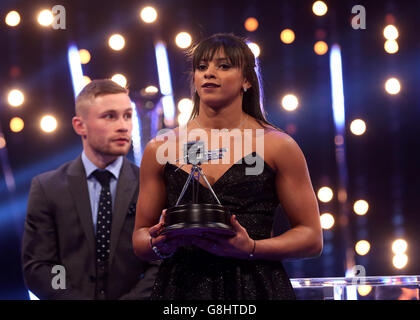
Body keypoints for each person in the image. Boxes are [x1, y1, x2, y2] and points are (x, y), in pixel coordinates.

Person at [133, 33, 323, 300]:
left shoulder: (278, 146)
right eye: (202, 67)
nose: (210, 73)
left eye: (223, 66)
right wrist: (158, 242)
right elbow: (140, 239)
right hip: (180, 290)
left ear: (246, 80)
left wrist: (252, 247)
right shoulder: (160, 148)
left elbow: (312, 238)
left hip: (256, 286)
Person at [22, 79, 159, 300]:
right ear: (80, 125)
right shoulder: (47, 188)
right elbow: (41, 267)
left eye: (127, 115)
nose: (123, 125)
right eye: (110, 116)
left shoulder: (149, 184)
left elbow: (160, 263)